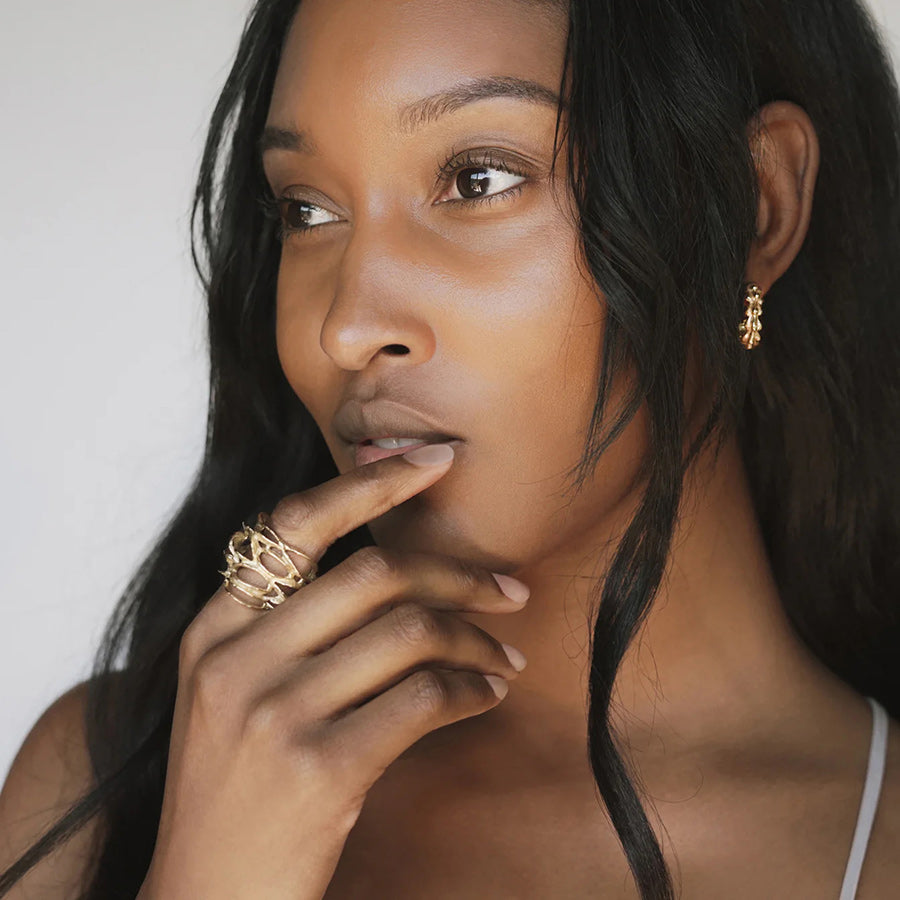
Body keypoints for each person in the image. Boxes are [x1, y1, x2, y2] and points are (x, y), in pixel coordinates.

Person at [2, 0, 900, 896]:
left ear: (756, 205)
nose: (347, 328)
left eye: (477, 178)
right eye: (305, 209)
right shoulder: (98, 785)